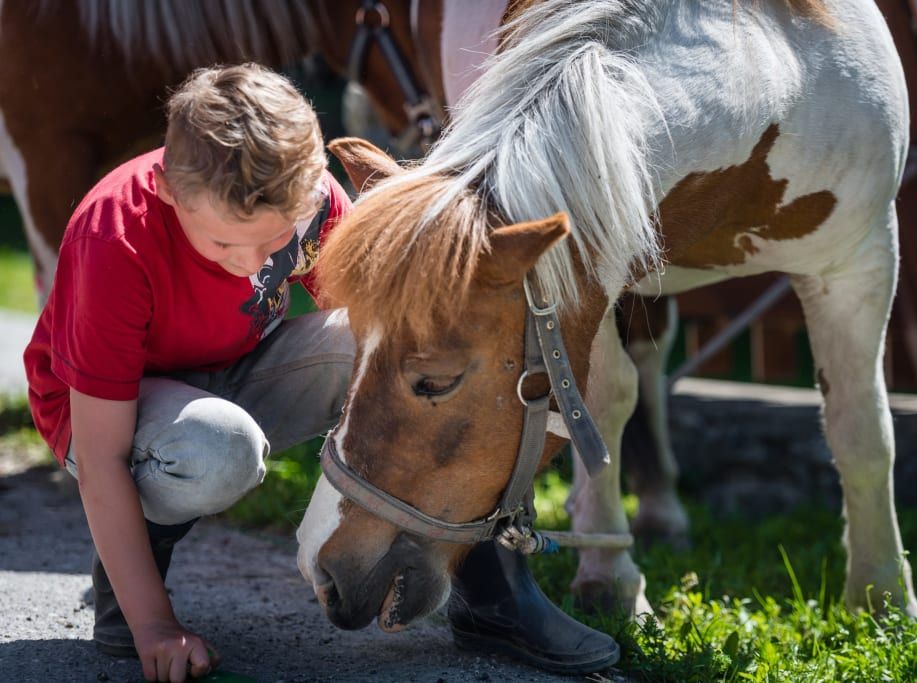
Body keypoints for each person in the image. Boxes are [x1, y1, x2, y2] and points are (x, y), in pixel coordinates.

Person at [24, 63, 617, 683]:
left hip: (239, 368)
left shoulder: (310, 204)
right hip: (110, 415)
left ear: (310, 192)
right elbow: (103, 457)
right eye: (223, 246)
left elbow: (382, 349)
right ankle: (127, 592)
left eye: (271, 242)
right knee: (218, 449)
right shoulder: (114, 239)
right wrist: (152, 626)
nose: (247, 264)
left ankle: (493, 593)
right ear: (170, 191)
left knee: (401, 350)